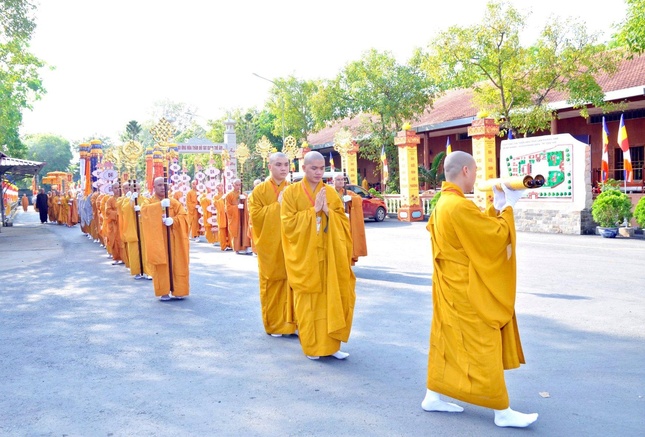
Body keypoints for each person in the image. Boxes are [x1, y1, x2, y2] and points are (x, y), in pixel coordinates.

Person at [422, 151, 538, 428]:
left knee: (447, 341)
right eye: (474, 171)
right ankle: (502, 411)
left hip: (450, 287)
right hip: (467, 291)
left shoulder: (444, 202)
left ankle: (432, 396)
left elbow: (474, 232)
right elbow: (493, 238)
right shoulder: (458, 205)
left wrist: (496, 207)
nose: (476, 177)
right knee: (483, 343)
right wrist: (508, 209)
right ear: (465, 171)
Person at [281, 151, 356, 360]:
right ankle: (312, 347)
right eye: (313, 168)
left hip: (328, 256)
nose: (318, 172)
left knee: (331, 299)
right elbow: (287, 224)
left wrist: (328, 212)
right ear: (304, 168)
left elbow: (343, 223)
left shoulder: (330, 193)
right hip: (305, 258)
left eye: (322, 168)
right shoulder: (291, 193)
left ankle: (331, 346)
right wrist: (313, 211)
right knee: (309, 303)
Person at [248, 152, 297, 337]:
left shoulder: (293, 188)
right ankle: (275, 325)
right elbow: (256, 217)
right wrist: (278, 205)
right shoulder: (259, 191)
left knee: (293, 283)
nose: (283, 168)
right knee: (273, 283)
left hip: (291, 245)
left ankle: (293, 324)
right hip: (270, 245)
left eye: (286, 164)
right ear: (270, 167)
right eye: (278, 164)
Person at [140, 176, 190, 301]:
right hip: (158, 240)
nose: (163, 187)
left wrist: (173, 220)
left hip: (174, 239)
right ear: (154, 187)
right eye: (159, 185)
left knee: (178, 263)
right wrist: (159, 206)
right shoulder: (149, 202)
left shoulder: (173, 202)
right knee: (161, 265)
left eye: (164, 185)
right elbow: (144, 212)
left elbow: (184, 216)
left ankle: (179, 290)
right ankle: (164, 291)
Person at [333, 174, 367, 265]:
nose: (341, 181)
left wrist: (351, 198)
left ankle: (347, 263)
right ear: (333, 181)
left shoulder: (347, 192)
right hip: (334, 221)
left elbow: (359, 199)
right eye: (338, 179)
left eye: (342, 179)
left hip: (346, 221)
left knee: (347, 241)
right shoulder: (330, 192)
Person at [225, 179, 252, 255]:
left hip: (243, 216)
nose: (238, 186)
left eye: (239, 185)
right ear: (233, 185)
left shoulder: (243, 194)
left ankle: (246, 247)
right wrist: (236, 207)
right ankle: (237, 248)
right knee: (236, 231)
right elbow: (227, 208)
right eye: (236, 185)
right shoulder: (229, 195)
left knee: (244, 230)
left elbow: (249, 204)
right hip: (235, 217)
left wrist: (245, 200)